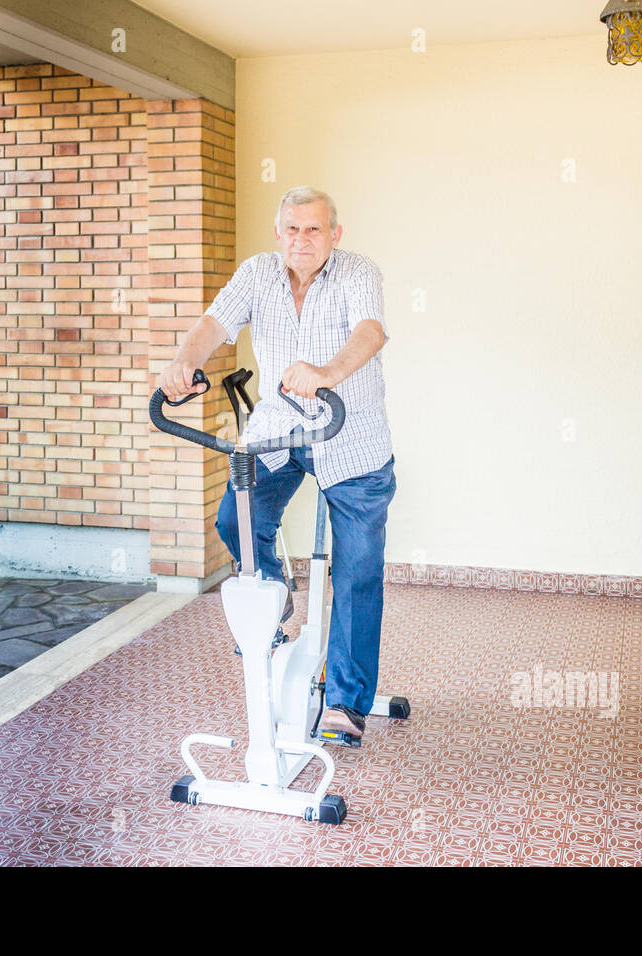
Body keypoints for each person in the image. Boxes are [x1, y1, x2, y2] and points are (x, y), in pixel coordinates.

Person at [157, 185, 396, 747]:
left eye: (314, 229)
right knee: (232, 521)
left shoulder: (359, 273)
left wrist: (327, 372)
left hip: (351, 432)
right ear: (277, 232)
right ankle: (273, 594)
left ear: (334, 234)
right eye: (292, 229)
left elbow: (371, 332)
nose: (301, 240)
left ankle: (345, 699)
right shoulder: (258, 273)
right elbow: (214, 325)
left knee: (357, 569)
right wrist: (181, 364)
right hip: (279, 431)